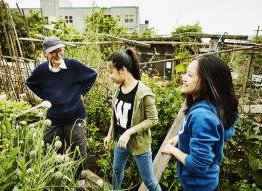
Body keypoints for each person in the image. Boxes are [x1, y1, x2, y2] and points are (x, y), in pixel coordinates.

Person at [161, 54, 239, 191]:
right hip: (207, 183)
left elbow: (198, 166)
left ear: (207, 82)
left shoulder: (201, 115)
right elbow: (216, 134)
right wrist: (180, 137)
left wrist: (173, 150)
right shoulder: (215, 106)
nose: (183, 78)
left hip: (197, 186)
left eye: (190, 75)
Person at [25, 36, 97, 168]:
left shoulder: (73, 65)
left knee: (78, 150)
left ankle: (79, 178)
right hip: (53, 118)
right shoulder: (41, 70)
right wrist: (46, 96)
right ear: (46, 54)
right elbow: (30, 83)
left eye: (60, 50)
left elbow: (92, 75)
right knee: (50, 150)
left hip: (75, 118)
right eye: (53, 52)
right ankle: (55, 175)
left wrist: (82, 93)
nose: (58, 54)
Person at [103, 48, 162, 191]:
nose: (109, 76)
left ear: (122, 69)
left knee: (149, 181)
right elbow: (116, 115)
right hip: (120, 140)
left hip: (138, 142)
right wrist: (110, 133)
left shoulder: (144, 92)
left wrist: (129, 132)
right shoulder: (118, 88)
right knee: (117, 171)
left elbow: (153, 119)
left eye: (111, 72)